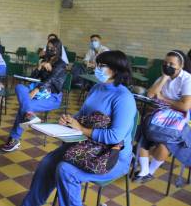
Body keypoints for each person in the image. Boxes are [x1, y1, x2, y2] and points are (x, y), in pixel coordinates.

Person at [21, 51, 136, 206]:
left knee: (65, 170)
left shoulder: (124, 98)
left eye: (102, 66)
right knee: (48, 162)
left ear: (115, 69)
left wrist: (81, 129)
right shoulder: (97, 88)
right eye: (97, 64)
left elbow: (115, 136)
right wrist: (69, 120)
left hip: (111, 156)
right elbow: (82, 114)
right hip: (86, 145)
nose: (97, 68)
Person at [133, 50, 191, 183]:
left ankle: (150, 170)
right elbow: (150, 95)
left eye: (171, 64)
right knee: (144, 132)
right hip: (159, 115)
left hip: (178, 118)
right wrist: (164, 77)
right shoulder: (163, 77)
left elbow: (185, 106)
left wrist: (163, 99)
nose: (167, 66)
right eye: (165, 63)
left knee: (166, 142)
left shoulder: (187, 79)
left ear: (180, 66)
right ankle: (144, 171)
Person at [2, 38, 66, 152]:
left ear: (58, 49)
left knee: (24, 108)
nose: (50, 49)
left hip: (52, 96)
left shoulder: (61, 64)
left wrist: (36, 89)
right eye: (48, 47)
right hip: (38, 91)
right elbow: (33, 78)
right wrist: (39, 67)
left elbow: (51, 80)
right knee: (19, 87)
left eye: (53, 48)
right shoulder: (44, 60)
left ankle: (14, 139)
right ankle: (30, 115)